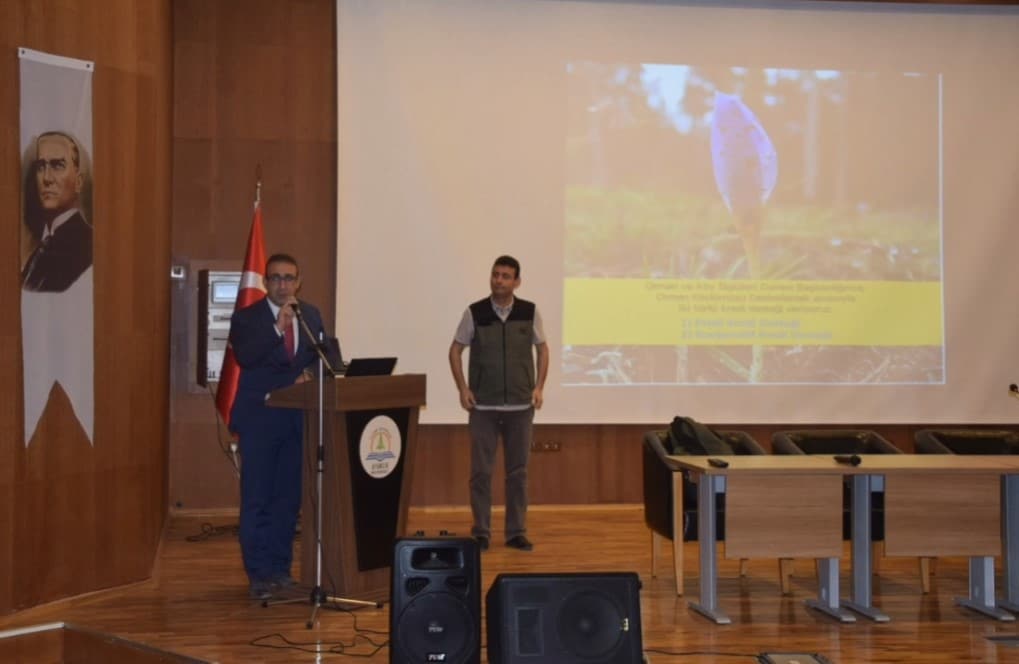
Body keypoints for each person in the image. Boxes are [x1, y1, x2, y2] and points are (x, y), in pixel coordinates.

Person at [228, 253, 334, 600]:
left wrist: (313, 374)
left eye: (289, 278)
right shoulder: (248, 318)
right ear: (265, 283)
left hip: (295, 420)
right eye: (276, 278)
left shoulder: (312, 314)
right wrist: (279, 328)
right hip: (259, 419)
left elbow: (327, 357)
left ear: (298, 282)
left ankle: (280, 568)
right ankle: (258, 574)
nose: (283, 284)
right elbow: (249, 356)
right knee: (257, 499)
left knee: (287, 500)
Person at [448, 255, 549, 552]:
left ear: (516, 281)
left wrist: (539, 387)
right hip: (483, 408)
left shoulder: (529, 312)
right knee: (481, 472)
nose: (499, 280)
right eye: (495, 275)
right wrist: (462, 388)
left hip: (520, 407)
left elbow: (543, 350)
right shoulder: (474, 312)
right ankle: (481, 531)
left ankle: (516, 531)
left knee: (517, 473)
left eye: (506, 276)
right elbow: (455, 351)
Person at [21, 131, 94, 292]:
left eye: (57, 165)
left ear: (79, 182)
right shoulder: (39, 251)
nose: (46, 178)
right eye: (40, 167)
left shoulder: (89, 246)